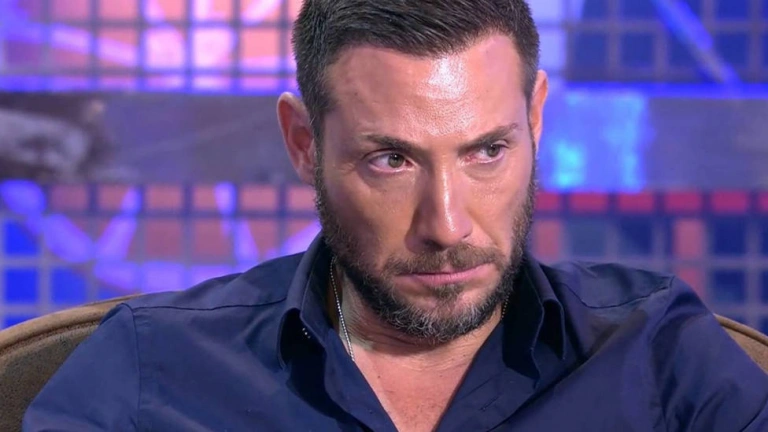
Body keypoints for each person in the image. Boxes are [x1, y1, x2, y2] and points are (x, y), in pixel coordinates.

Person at [23, 1, 768, 431]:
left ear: (536, 118)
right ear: (303, 143)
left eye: (487, 152)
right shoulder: (148, 373)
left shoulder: (662, 356)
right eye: (391, 160)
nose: (446, 225)